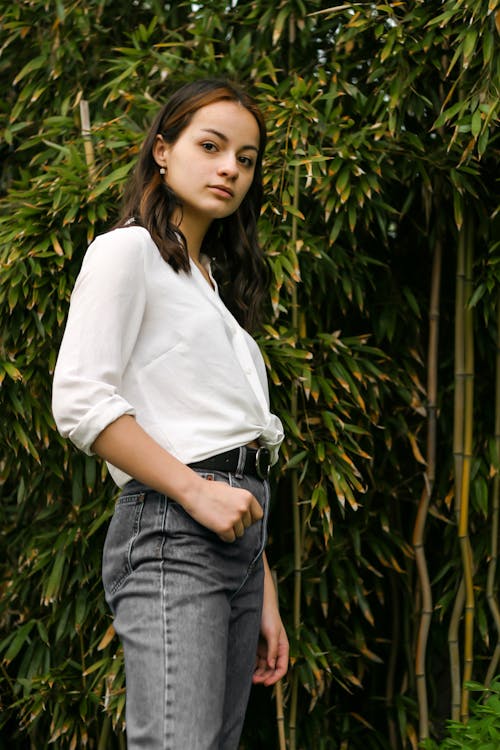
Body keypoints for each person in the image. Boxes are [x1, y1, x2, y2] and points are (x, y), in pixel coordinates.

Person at [52, 78, 289, 750]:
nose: (229, 169)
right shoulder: (126, 252)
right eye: (210, 146)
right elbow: (80, 400)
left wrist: (261, 580)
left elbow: (223, 441)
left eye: (246, 158)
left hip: (235, 542)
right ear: (163, 150)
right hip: (172, 531)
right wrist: (194, 493)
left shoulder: (207, 281)